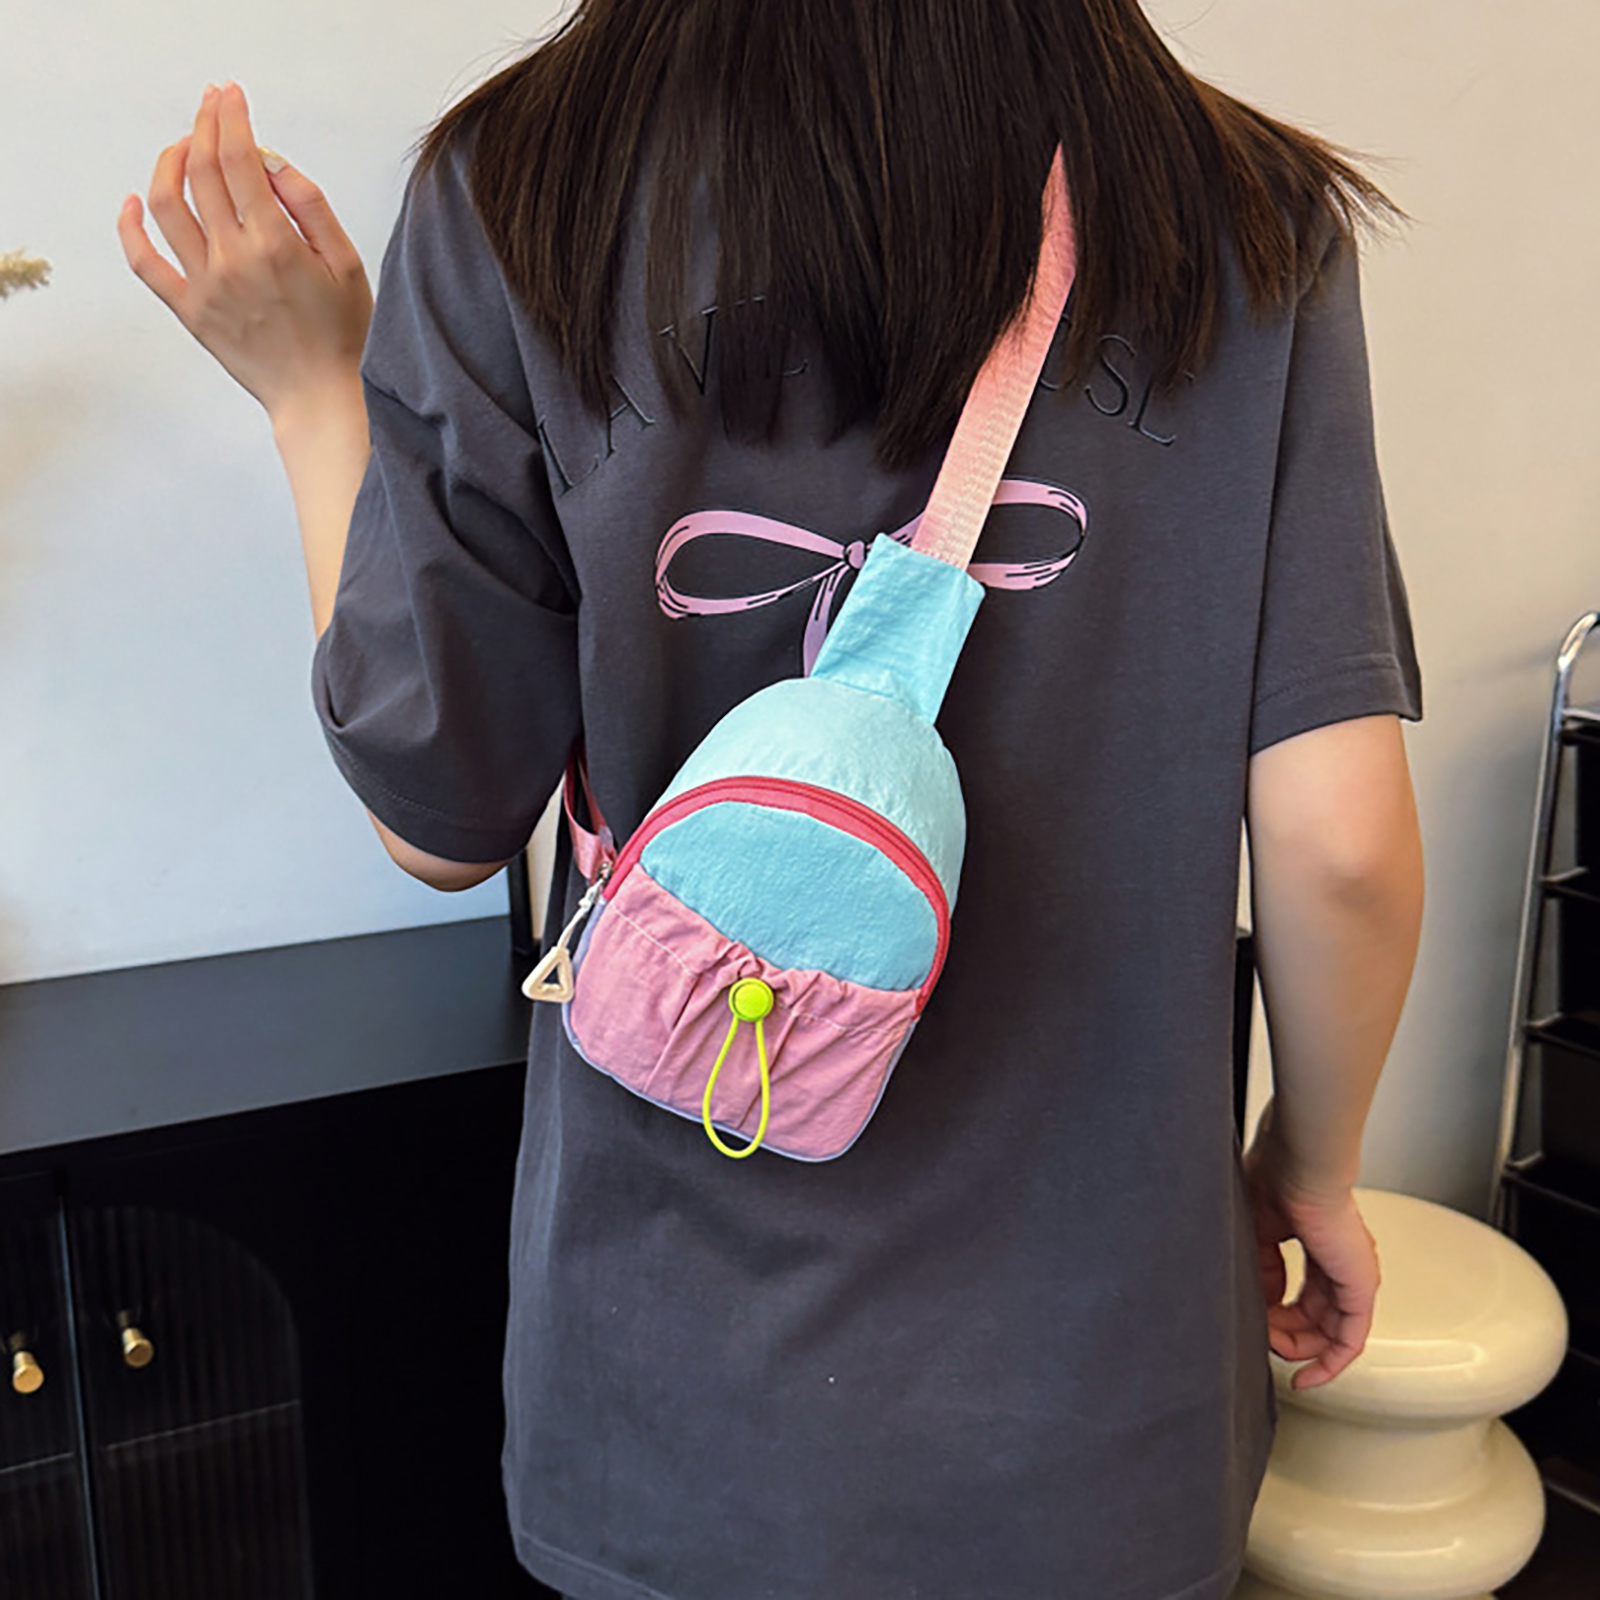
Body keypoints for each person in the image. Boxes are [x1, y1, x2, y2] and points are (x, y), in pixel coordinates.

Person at [118, 5, 1425, 1596]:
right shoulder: (1246, 214)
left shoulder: (524, 183)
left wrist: (313, 393)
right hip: (1100, 1407)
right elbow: (1343, 845)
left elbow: (436, 818)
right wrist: (1310, 1165)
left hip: (676, 1405)